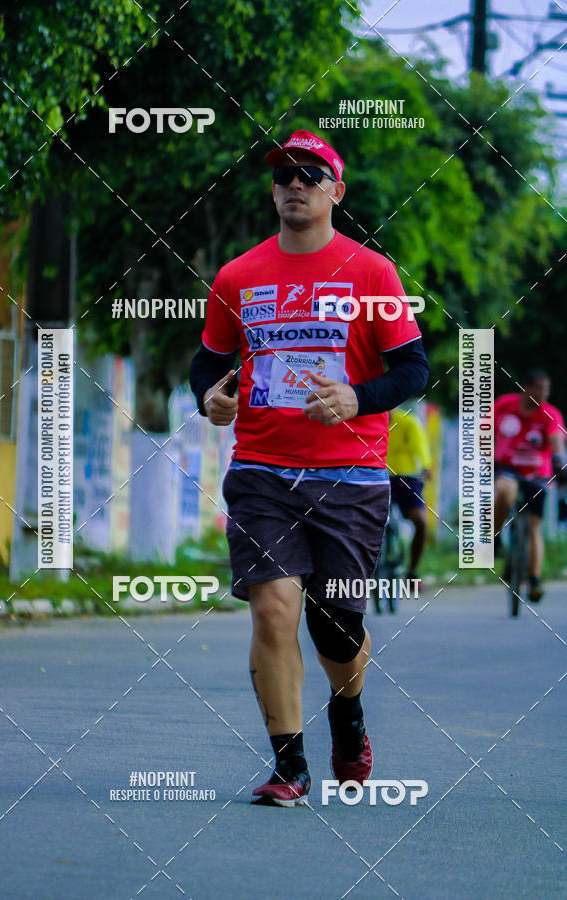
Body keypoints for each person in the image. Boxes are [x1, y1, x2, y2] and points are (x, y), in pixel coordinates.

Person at [190, 130, 429, 807]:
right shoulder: (239, 276)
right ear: (273, 191)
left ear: (336, 191)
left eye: (311, 174)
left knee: (335, 626)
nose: (295, 183)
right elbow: (209, 361)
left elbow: (414, 368)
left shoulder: (372, 273)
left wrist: (358, 396)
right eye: (284, 175)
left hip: (351, 476)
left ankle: (348, 712)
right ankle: (289, 766)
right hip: (263, 469)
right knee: (272, 608)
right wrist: (207, 396)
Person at [494, 369, 566, 603]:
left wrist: (558, 461)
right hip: (506, 467)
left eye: (547, 389)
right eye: (540, 388)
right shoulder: (505, 405)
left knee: (534, 526)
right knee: (504, 492)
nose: (544, 394)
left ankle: (534, 579)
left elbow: (556, 440)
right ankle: (495, 538)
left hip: (537, 474)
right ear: (526, 387)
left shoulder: (550, 414)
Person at [386, 406, 432, 586]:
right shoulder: (368, 421)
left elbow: (420, 447)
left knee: (420, 521)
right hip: (376, 477)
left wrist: (426, 466)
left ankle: (412, 572)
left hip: (407, 477)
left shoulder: (408, 422)